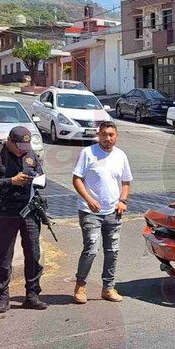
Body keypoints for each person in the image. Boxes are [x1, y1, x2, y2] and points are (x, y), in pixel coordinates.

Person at [0, 127, 48, 313]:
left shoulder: (30, 154)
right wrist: (11, 181)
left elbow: (43, 179)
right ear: (9, 140)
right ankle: (2, 296)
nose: (22, 150)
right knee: (4, 256)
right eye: (18, 146)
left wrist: (34, 179)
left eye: (25, 146)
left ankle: (32, 295)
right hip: (6, 211)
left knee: (33, 253)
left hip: (29, 211)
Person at [72, 121, 133, 304]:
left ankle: (108, 288)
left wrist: (123, 200)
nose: (108, 138)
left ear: (116, 136)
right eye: (104, 134)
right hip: (90, 211)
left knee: (112, 250)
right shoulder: (88, 153)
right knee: (91, 248)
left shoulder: (121, 155)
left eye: (111, 135)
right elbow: (77, 179)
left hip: (113, 211)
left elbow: (126, 182)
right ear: (98, 135)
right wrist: (89, 199)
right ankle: (80, 285)